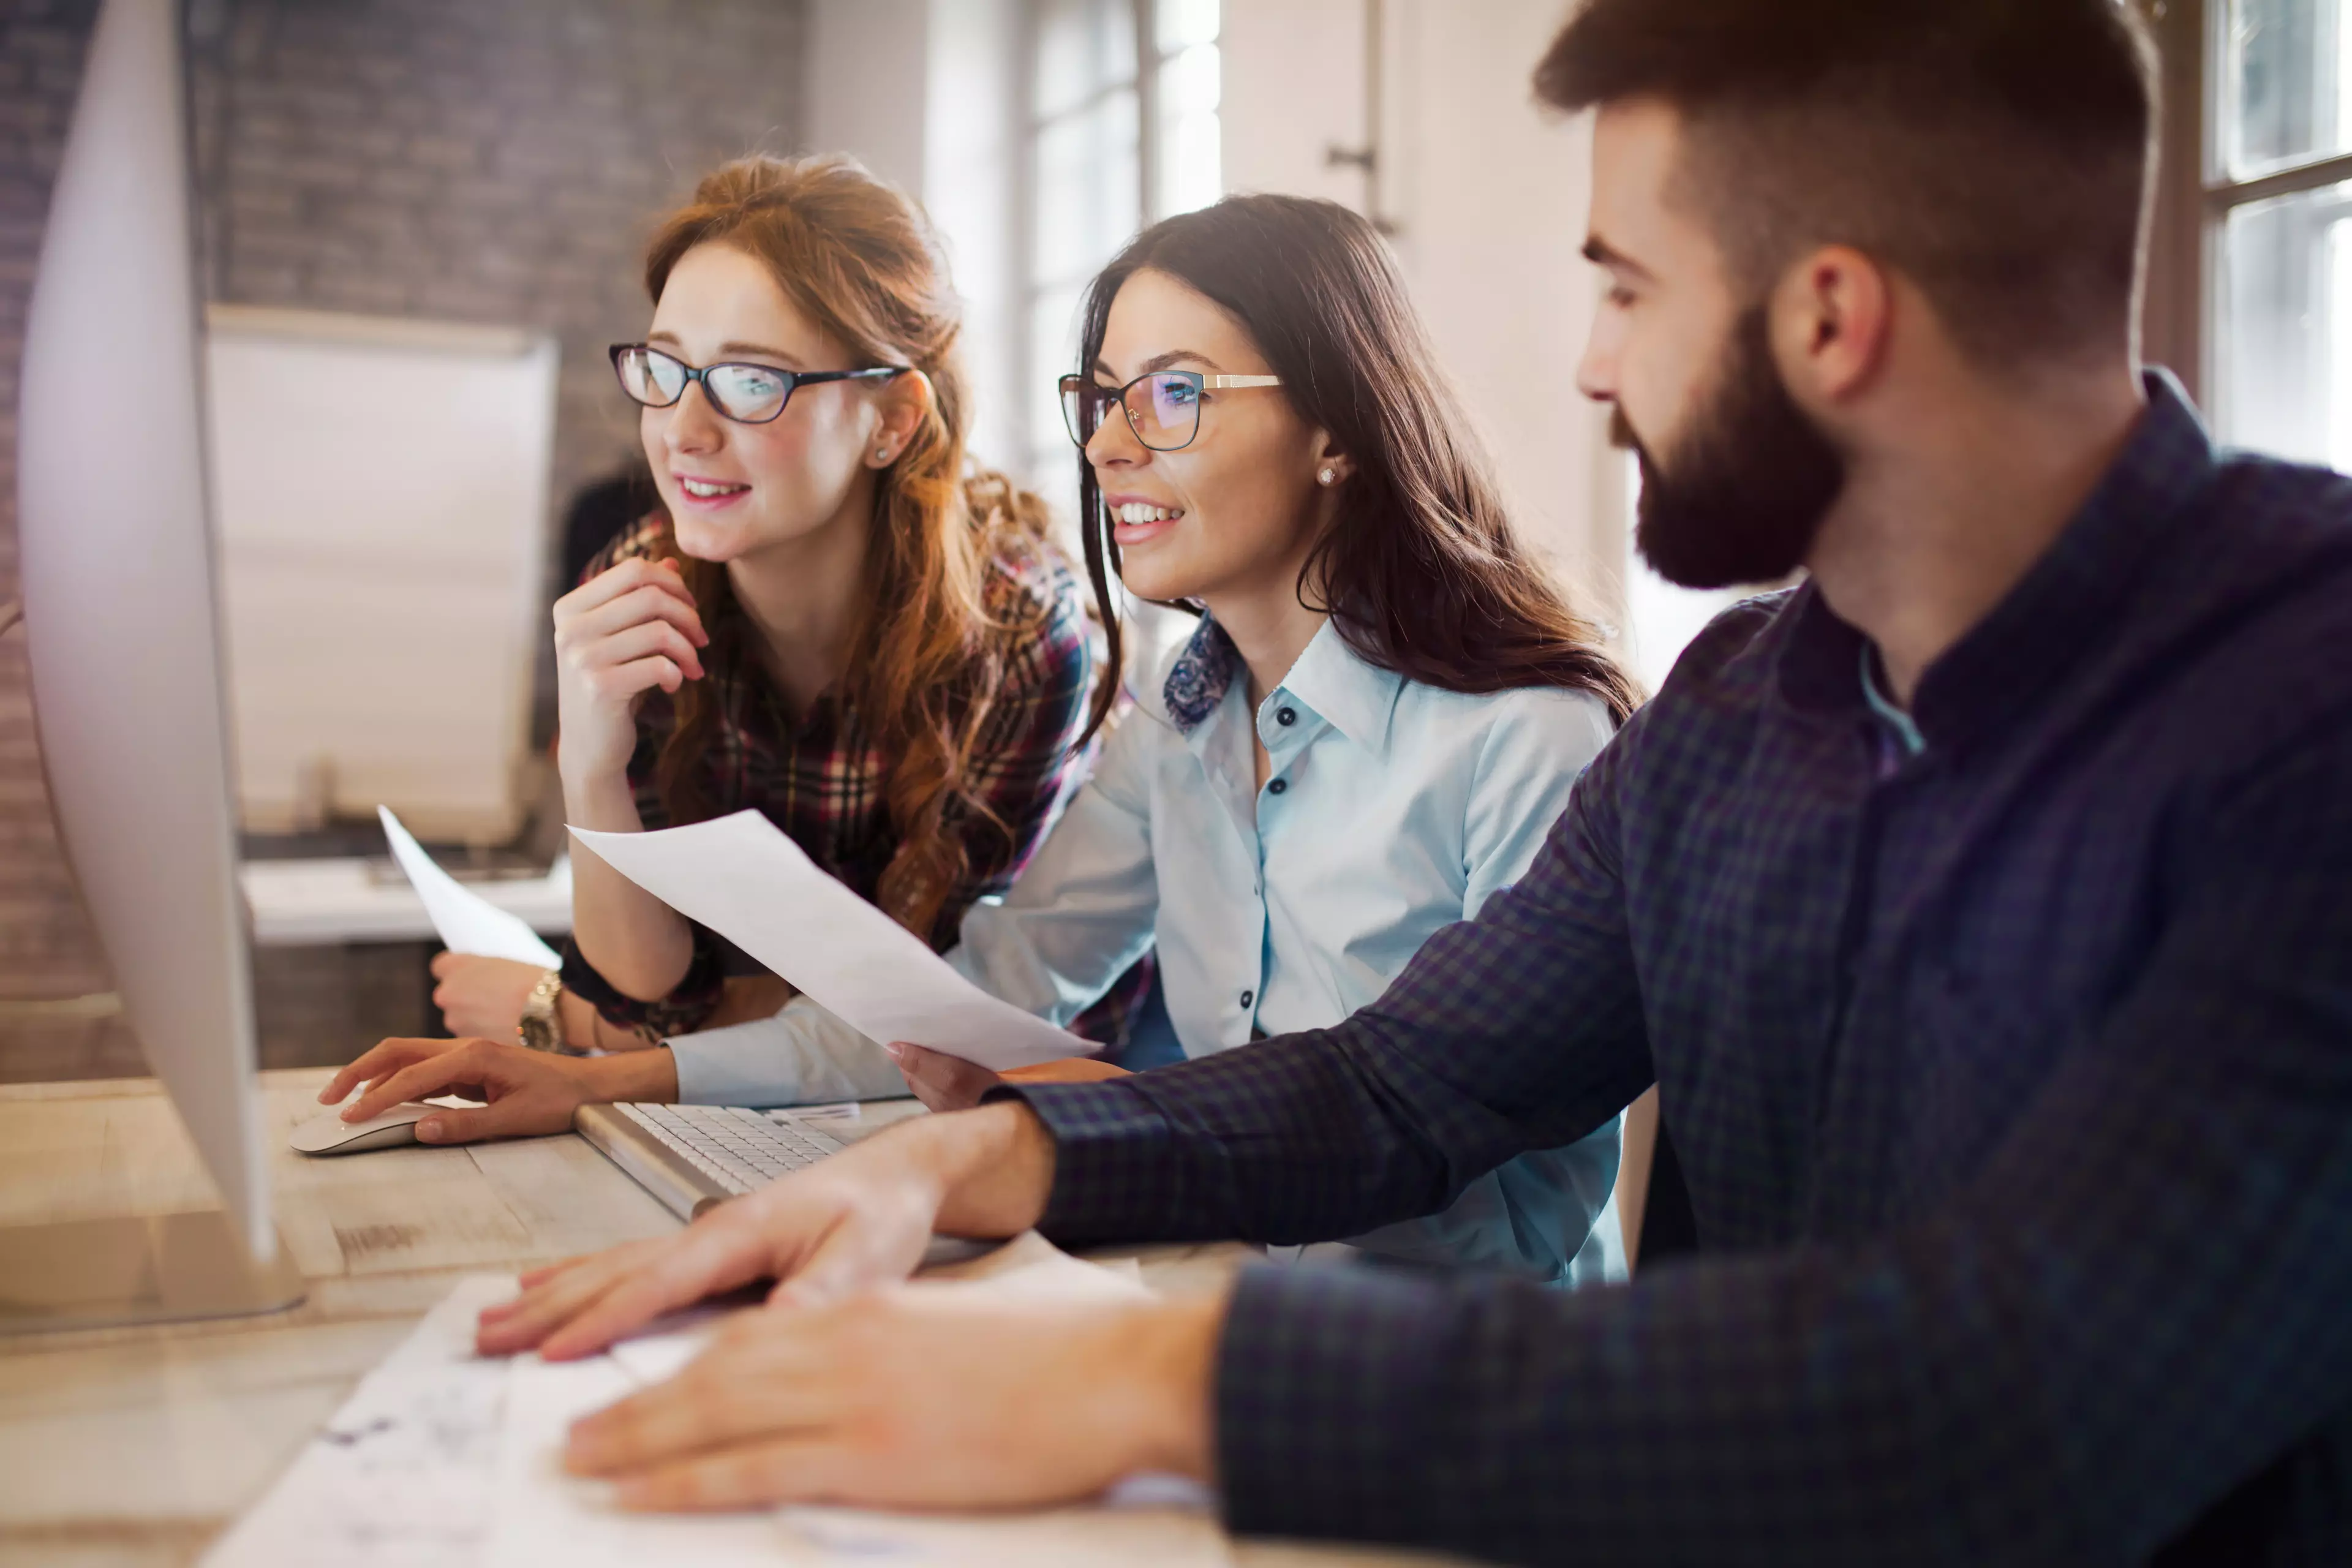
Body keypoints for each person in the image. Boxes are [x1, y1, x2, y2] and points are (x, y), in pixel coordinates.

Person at [461, 0, 2352, 1561]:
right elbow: (1405, 1080)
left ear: (1831, 317)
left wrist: (1158, 1382)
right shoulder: (1740, 715)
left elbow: (2024, 1398)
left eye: (1626, 289)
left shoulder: (2307, 707)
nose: (1592, 370)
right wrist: (978, 1153)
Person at [330, 192, 1643, 1286]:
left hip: (1469, 1382)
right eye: (1105, 393)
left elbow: (1458, 1160)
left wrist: (1046, 1149)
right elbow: (967, 998)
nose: (1109, 443)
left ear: (1338, 431)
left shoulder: (1530, 740)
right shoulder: (1179, 728)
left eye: (1174, 394)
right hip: (1208, 1300)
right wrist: (611, 1078)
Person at [371, 153, 1139, 1068]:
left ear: (891, 419)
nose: (684, 432)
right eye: (666, 368)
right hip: (785, 1103)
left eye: (750, 381)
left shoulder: (1014, 632)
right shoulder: (643, 586)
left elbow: (933, 1016)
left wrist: (562, 1016)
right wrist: (591, 764)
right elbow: (650, 989)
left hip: (1065, 1104)